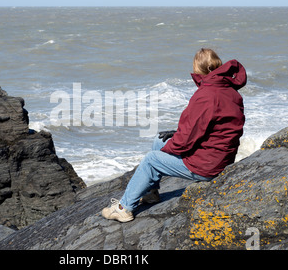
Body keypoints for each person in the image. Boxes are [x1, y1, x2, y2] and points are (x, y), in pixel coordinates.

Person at [102, 48, 247, 222]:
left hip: (207, 165)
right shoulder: (229, 91)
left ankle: (123, 208)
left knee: (151, 160)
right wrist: (173, 137)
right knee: (159, 140)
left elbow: (185, 140)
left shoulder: (207, 94)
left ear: (197, 70)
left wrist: (168, 148)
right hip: (220, 157)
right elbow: (208, 128)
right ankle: (150, 193)